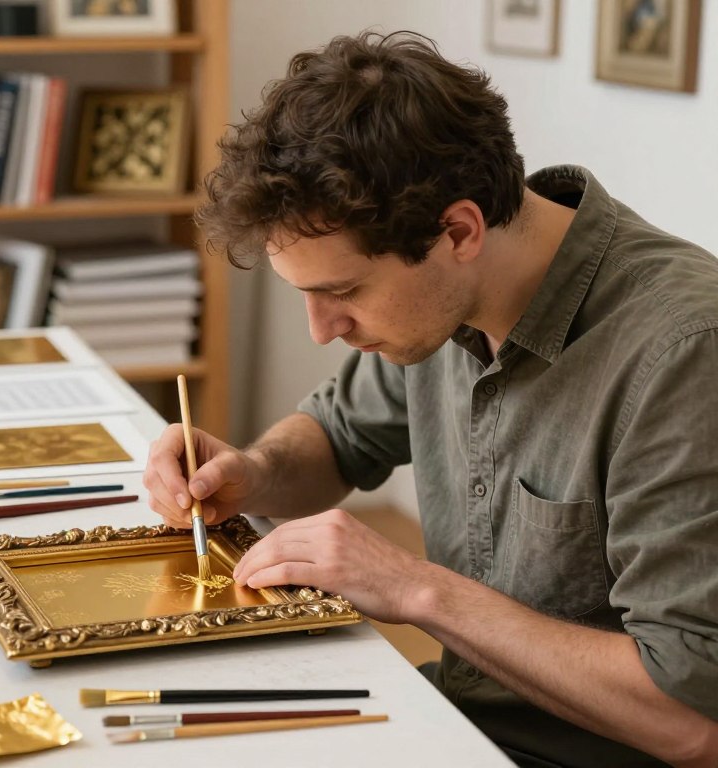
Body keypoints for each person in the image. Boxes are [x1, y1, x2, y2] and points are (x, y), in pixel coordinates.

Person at [142, 31, 718, 768]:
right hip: (456, 722)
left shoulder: (681, 351)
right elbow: (340, 436)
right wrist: (251, 471)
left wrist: (414, 588)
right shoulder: (442, 302)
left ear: (458, 230)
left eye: (343, 292)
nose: (323, 332)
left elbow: (691, 719)